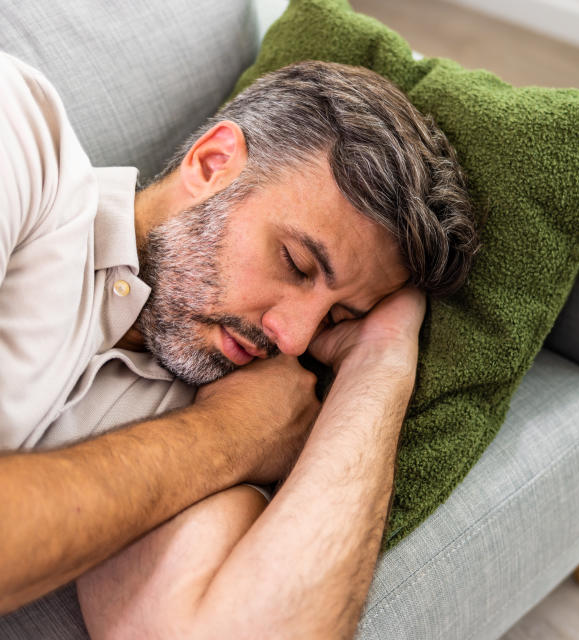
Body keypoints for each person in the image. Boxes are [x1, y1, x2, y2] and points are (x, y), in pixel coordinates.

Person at [0, 51, 477, 638]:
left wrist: (380, 364)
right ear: (212, 162)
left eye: (337, 317)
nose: (294, 337)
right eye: (296, 263)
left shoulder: (209, 394)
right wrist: (230, 439)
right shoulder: (22, 137)